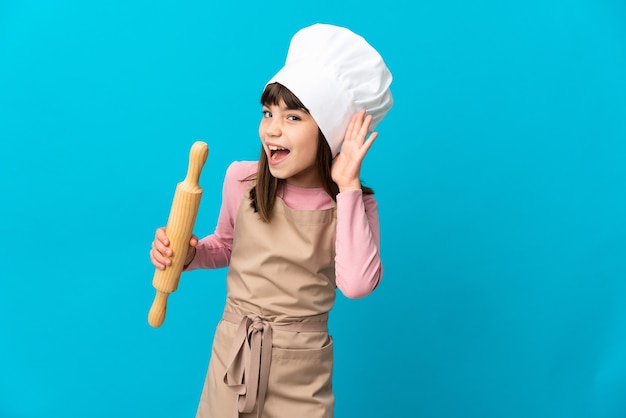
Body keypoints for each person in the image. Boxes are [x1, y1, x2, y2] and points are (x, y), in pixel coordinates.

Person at [149, 23, 393, 418]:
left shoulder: (354, 204)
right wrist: (187, 253)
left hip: (302, 369)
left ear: (328, 133)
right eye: (267, 113)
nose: (272, 129)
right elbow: (224, 246)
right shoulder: (241, 179)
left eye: (293, 117)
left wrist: (347, 186)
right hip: (233, 355)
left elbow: (357, 285)